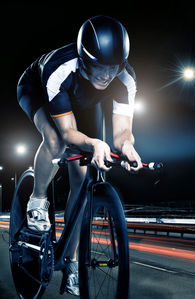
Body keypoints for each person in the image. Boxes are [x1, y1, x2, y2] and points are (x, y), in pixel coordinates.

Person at [17, 15, 143, 296]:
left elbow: (122, 133)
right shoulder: (60, 68)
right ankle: (37, 199)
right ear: (84, 59)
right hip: (38, 89)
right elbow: (67, 132)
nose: (107, 75)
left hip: (84, 101)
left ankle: (71, 260)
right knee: (55, 141)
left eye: (113, 67)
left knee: (83, 177)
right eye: (99, 66)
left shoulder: (125, 78)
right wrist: (93, 143)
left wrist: (127, 147)